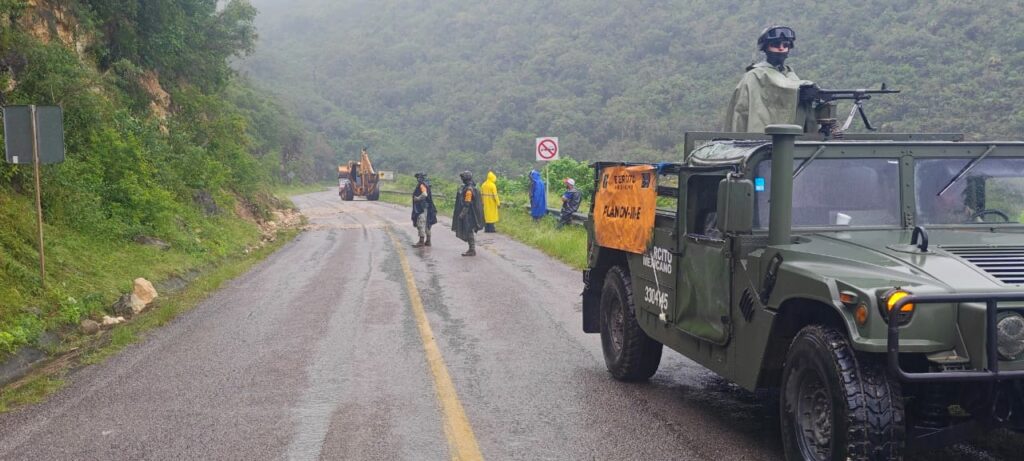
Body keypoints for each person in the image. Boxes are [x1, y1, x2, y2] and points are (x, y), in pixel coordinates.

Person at [723, 25, 817, 133]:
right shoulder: (755, 75)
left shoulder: (790, 75)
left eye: (785, 45)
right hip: (759, 136)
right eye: (776, 45)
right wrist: (800, 89)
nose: (781, 48)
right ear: (766, 48)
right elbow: (740, 113)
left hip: (789, 137)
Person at [452, 171, 484, 256]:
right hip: (471, 213)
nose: (462, 179)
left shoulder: (469, 190)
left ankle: (472, 250)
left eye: (462, 178)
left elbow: (467, 203)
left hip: (469, 214)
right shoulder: (471, 187)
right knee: (469, 231)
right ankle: (471, 249)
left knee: (469, 231)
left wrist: (462, 214)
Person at [411, 172, 437, 247]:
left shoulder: (422, 185)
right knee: (427, 224)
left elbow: (424, 194)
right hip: (428, 207)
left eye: (418, 177)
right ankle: (428, 241)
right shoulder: (427, 184)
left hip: (422, 208)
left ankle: (421, 241)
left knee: (421, 223)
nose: (417, 179)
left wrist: (417, 198)